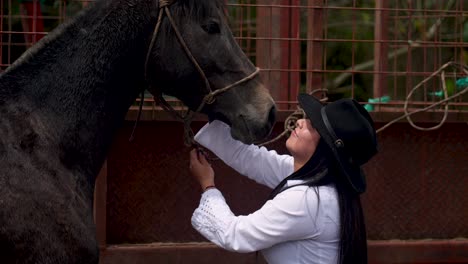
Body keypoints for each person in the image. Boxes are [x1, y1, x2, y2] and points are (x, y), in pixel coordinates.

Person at [188, 93, 378, 264]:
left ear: (327, 150)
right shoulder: (322, 179)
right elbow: (254, 160)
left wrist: (208, 185)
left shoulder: (307, 199)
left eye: (312, 126)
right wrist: (211, 112)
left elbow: (235, 234)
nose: (300, 122)